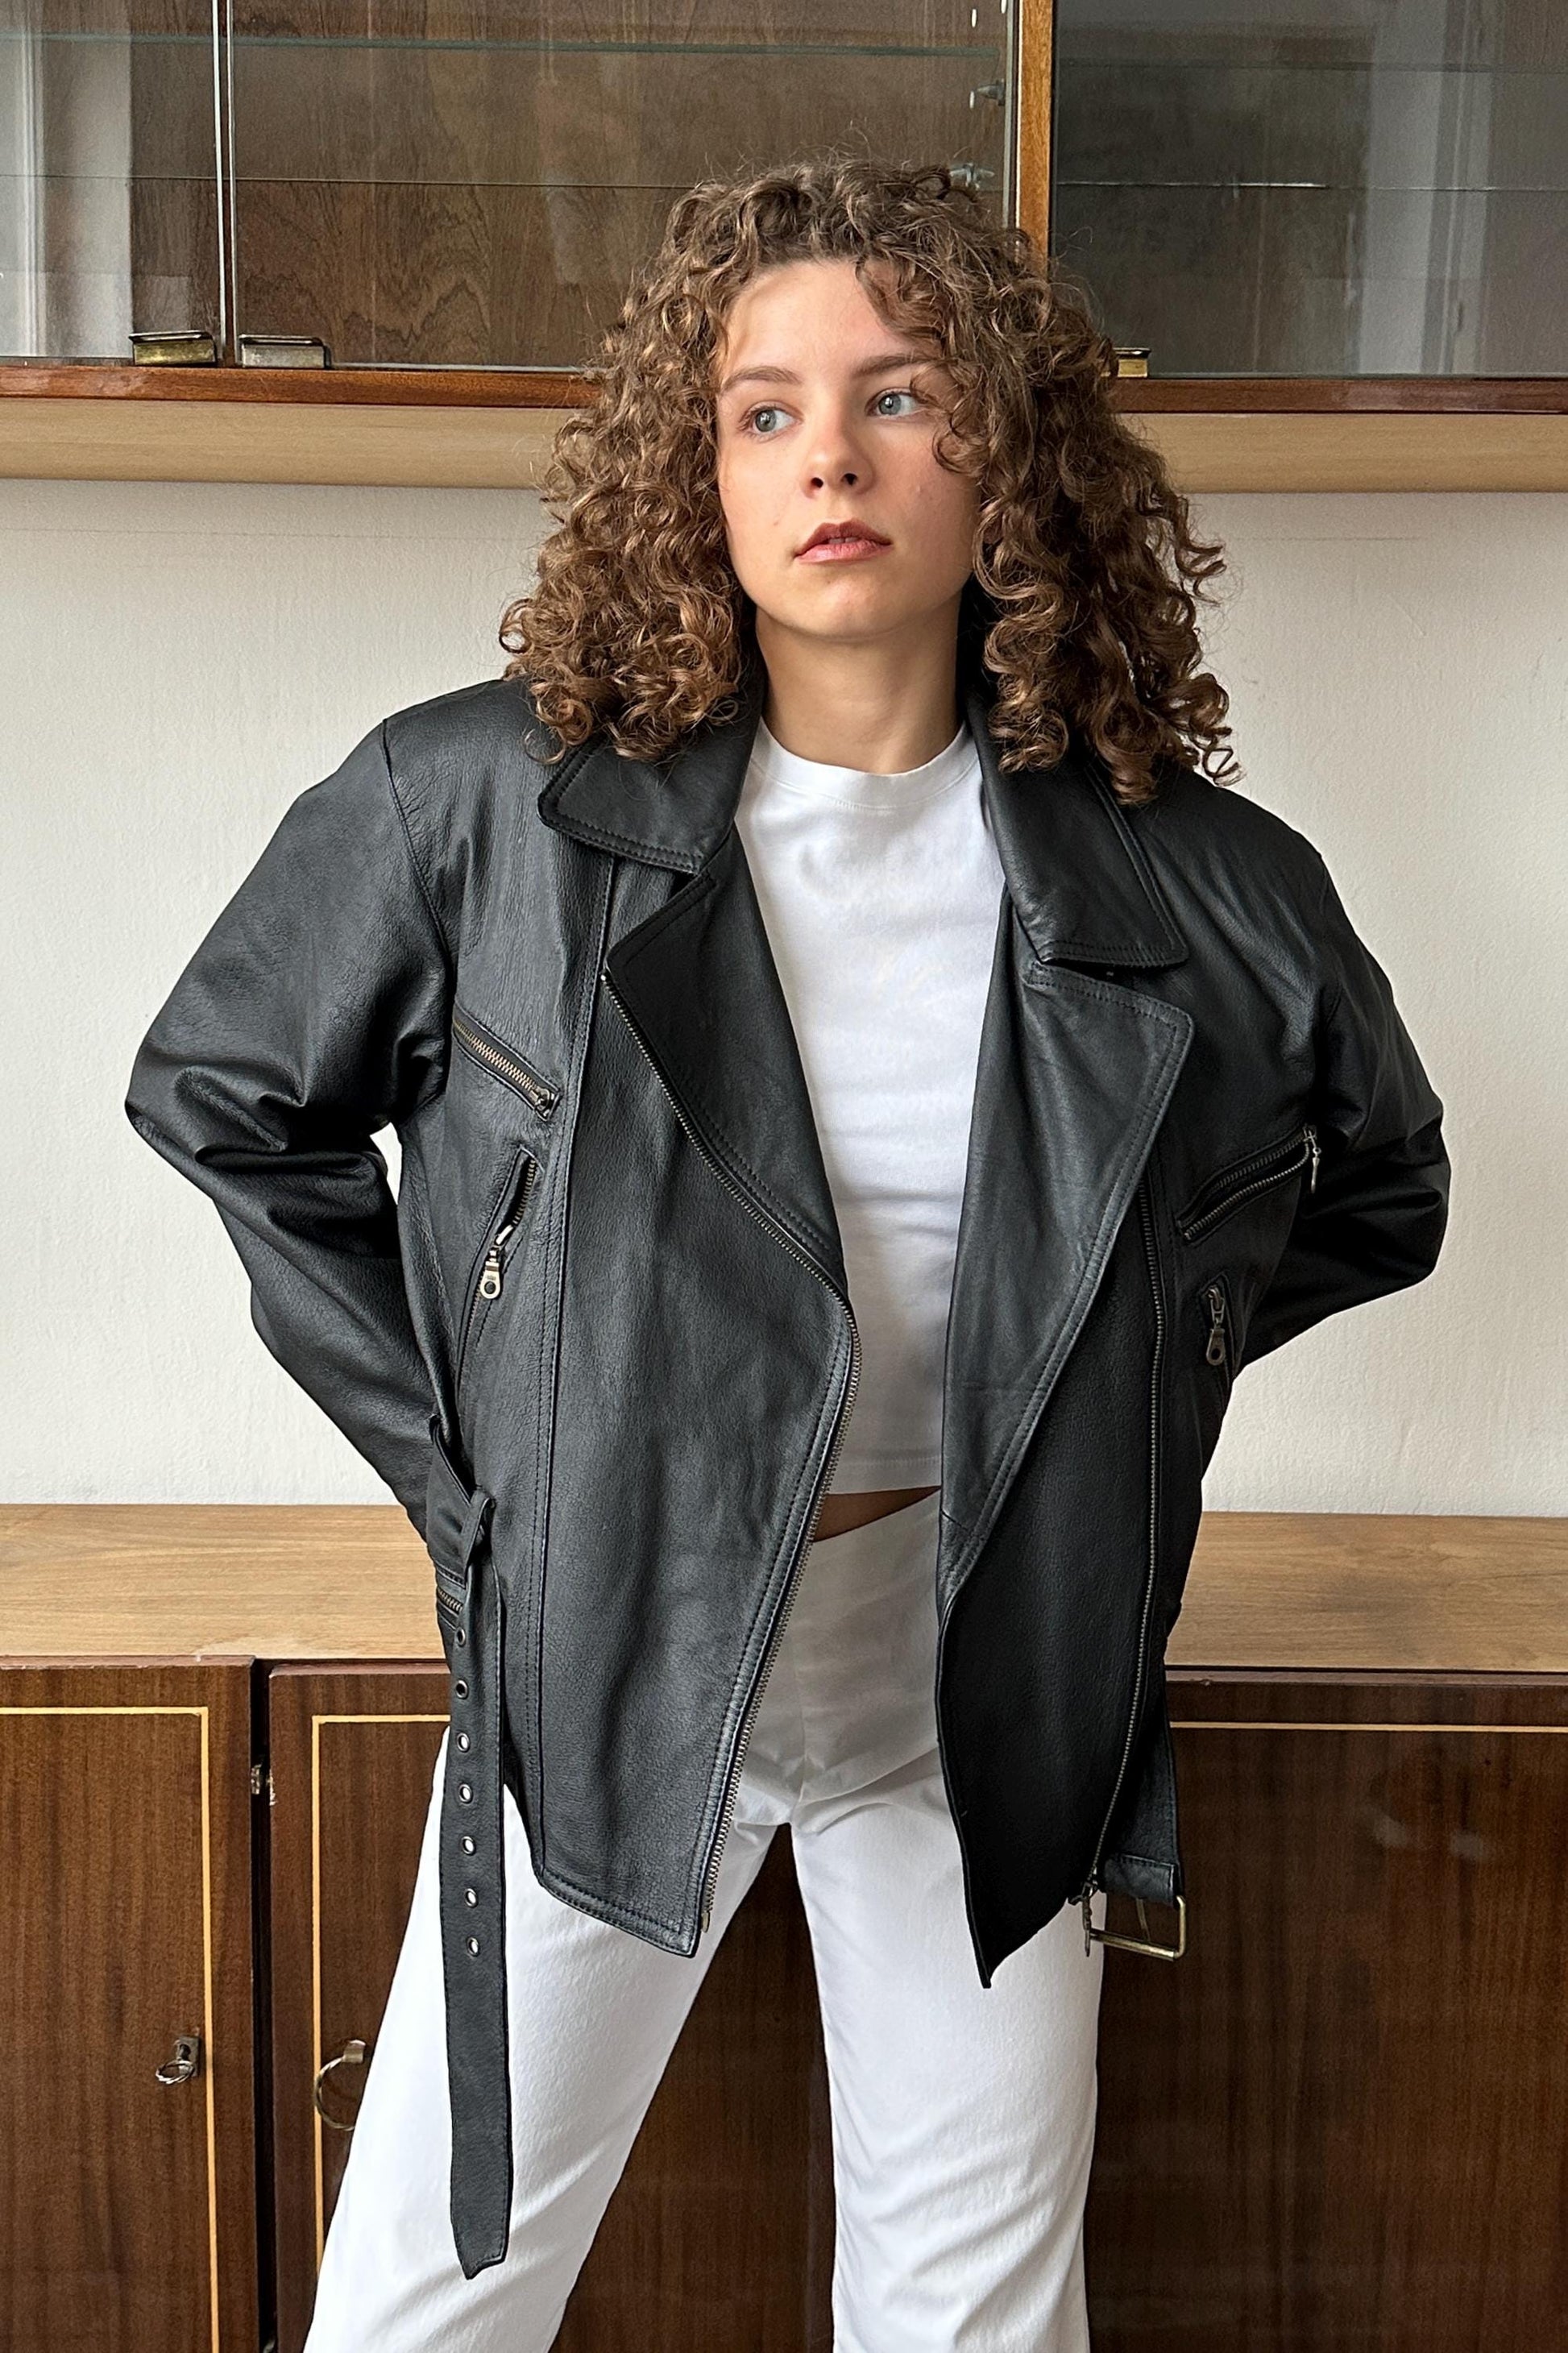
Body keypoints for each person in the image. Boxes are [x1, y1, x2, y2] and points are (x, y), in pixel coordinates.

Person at [125, 156, 1450, 2351]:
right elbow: (222, 1096)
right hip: (609, 1652)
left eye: (898, 395)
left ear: (1008, 460)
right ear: (692, 473)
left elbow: (1369, 1187)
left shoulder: (1205, 883)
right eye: (760, 409)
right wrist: (467, 1463)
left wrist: (1106, 1378)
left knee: (975, 2321)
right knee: (424, 2309)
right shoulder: (478, 807)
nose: (826, 453)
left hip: (990, 1675)